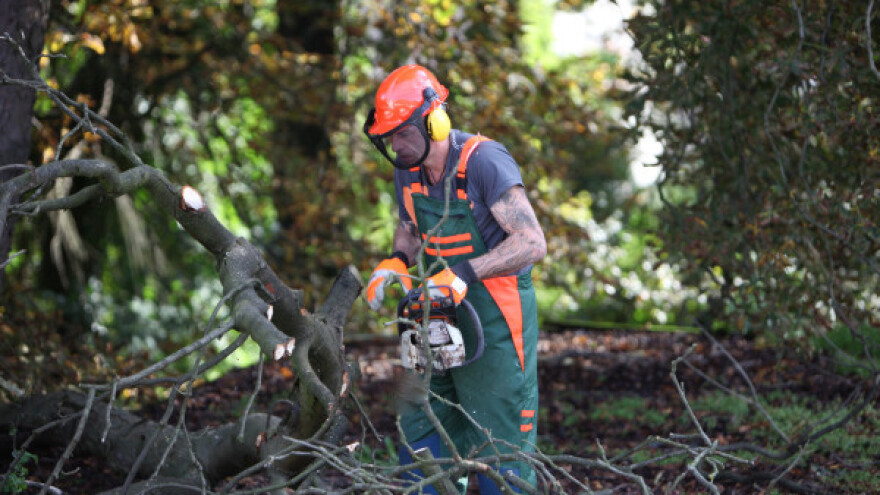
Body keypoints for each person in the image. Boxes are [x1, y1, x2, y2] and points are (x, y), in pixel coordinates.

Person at [362, 64, 547, 494]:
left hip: (497, 317)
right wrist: (396, 259)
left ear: (435, 119)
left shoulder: (484, 163)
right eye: (389, 136)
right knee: (419, 419)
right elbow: (408, 224)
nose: (396, 145)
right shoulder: (407, 167)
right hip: (435, 313)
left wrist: (464, 274)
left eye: (403, 133)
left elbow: (532, 242)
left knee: (498, 440)